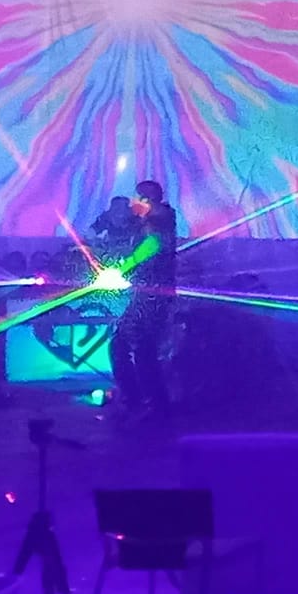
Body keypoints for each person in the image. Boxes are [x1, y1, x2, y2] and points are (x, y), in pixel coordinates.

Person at [110, 180, 177, 422]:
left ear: (146, 199)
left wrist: (124, 267)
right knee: (130, 347)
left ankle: (148, 404)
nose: (132, 202)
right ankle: (144, 402)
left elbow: (152, 245)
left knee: (138, 349)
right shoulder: (152, 220)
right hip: (148, 294)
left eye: (135, 197)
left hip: (153, 297)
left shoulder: (158, 220)